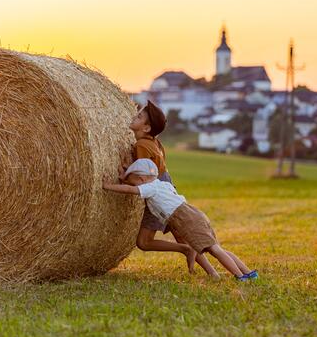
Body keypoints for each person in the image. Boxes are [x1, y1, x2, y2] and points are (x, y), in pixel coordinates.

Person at [104, 158, 258, 281]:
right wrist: (126, 177)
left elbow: (131, 190)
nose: (133, 184)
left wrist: (108, 186)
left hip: (185, 219)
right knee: (217, 247)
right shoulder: (162, 184)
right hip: (193, 213)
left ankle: (240, 276)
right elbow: (134, 184)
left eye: (134, 180)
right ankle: (247, 272)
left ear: (142, 178)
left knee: (214, 250)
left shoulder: (150, 188)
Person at [123, 101, 219, 277]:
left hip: (156, 191)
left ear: (146, 128)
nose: (134, 116)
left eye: (139, 116)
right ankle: (212, 272)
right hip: (168, 187)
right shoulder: (155, 143)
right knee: (182, 233)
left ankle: (185, 250)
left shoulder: (141, 146)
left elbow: (144, 174)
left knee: (144, 242)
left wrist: (123, 178)